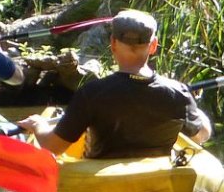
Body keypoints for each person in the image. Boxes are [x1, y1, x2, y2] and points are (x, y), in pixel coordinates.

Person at [16, 9, 213, 158]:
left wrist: (38, 125)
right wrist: (191, 100)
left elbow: (53, 147)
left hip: (102, 176)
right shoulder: (178, 93)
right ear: (153, 46)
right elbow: (201, 135)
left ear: (113, 44)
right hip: (155, 172)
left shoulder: (91, 93)